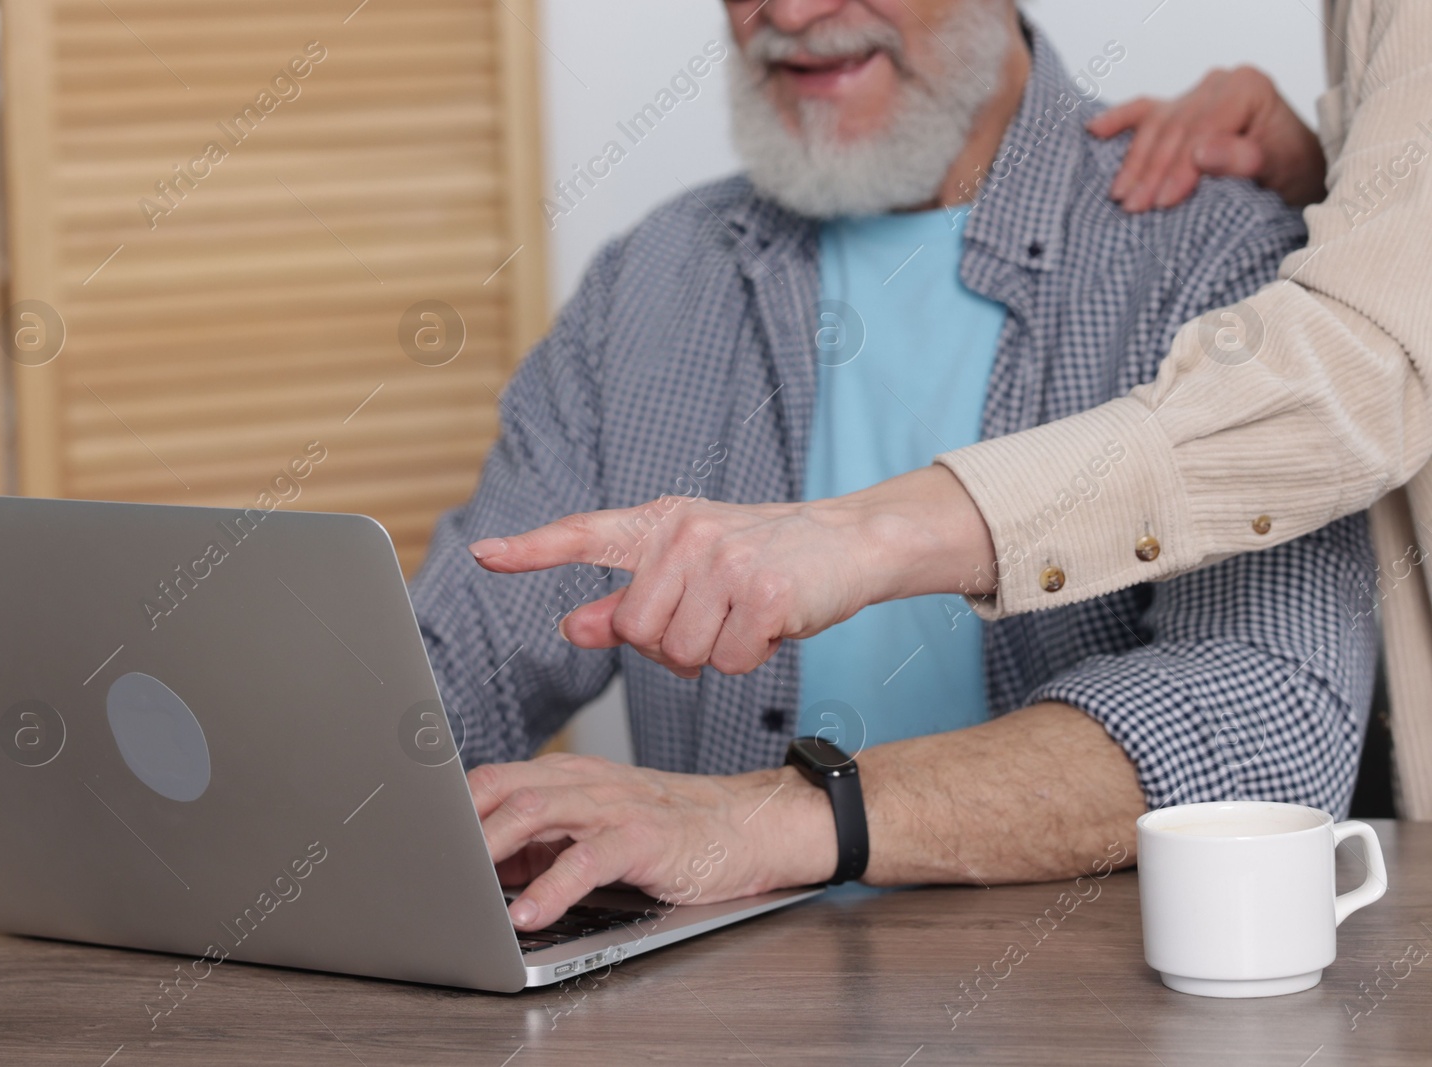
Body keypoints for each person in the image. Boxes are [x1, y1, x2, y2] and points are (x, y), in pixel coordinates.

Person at [412, 0, 1376, 931]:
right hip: (721, 1018)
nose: (788, 11)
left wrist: (772, 820)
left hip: (1082, 1018)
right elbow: (464, 659)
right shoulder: (656, 274)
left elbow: (1274, 721)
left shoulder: (1215, 251)